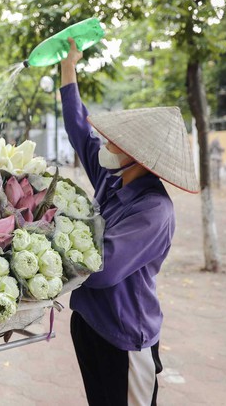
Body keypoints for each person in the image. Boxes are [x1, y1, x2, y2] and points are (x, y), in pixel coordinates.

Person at [59, 37, 199, 406]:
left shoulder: (153, 211)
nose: (106, 142)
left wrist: (51, 238)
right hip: (89, 320)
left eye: (116, 141)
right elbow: (79, 129)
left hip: (123, 335)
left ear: (137, 157)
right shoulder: (113, 176)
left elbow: (101, 269)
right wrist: (68, 68)